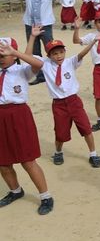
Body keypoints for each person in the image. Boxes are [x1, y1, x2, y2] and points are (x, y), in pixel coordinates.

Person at [0, 37, 54, 215]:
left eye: (4, 52)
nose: (1, 56)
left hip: (18, 115)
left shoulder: (21, 70)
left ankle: (46, 196)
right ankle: (15, 190)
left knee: (27, 160)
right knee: (3, 162)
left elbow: (39, 64)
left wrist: (15, 53)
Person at [33, 33, 100, 168]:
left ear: (65, 52)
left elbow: (81, 54)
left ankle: (93, 154)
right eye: (54, 54)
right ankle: (58, 151)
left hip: (74, 101)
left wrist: (93, 42)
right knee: (60, 132)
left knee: (86, 128)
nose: (58, 56)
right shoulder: (45, 65)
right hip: (59, 105)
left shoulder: (70, 62)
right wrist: (32, 38)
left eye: (61, 52)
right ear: (48, 56)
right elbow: (29, 57)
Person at [1, 0, 68, 81]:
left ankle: (55, 73)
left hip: (45, 24)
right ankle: (40, 75)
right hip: (30, 25)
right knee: (34, 51)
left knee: (51, 49)